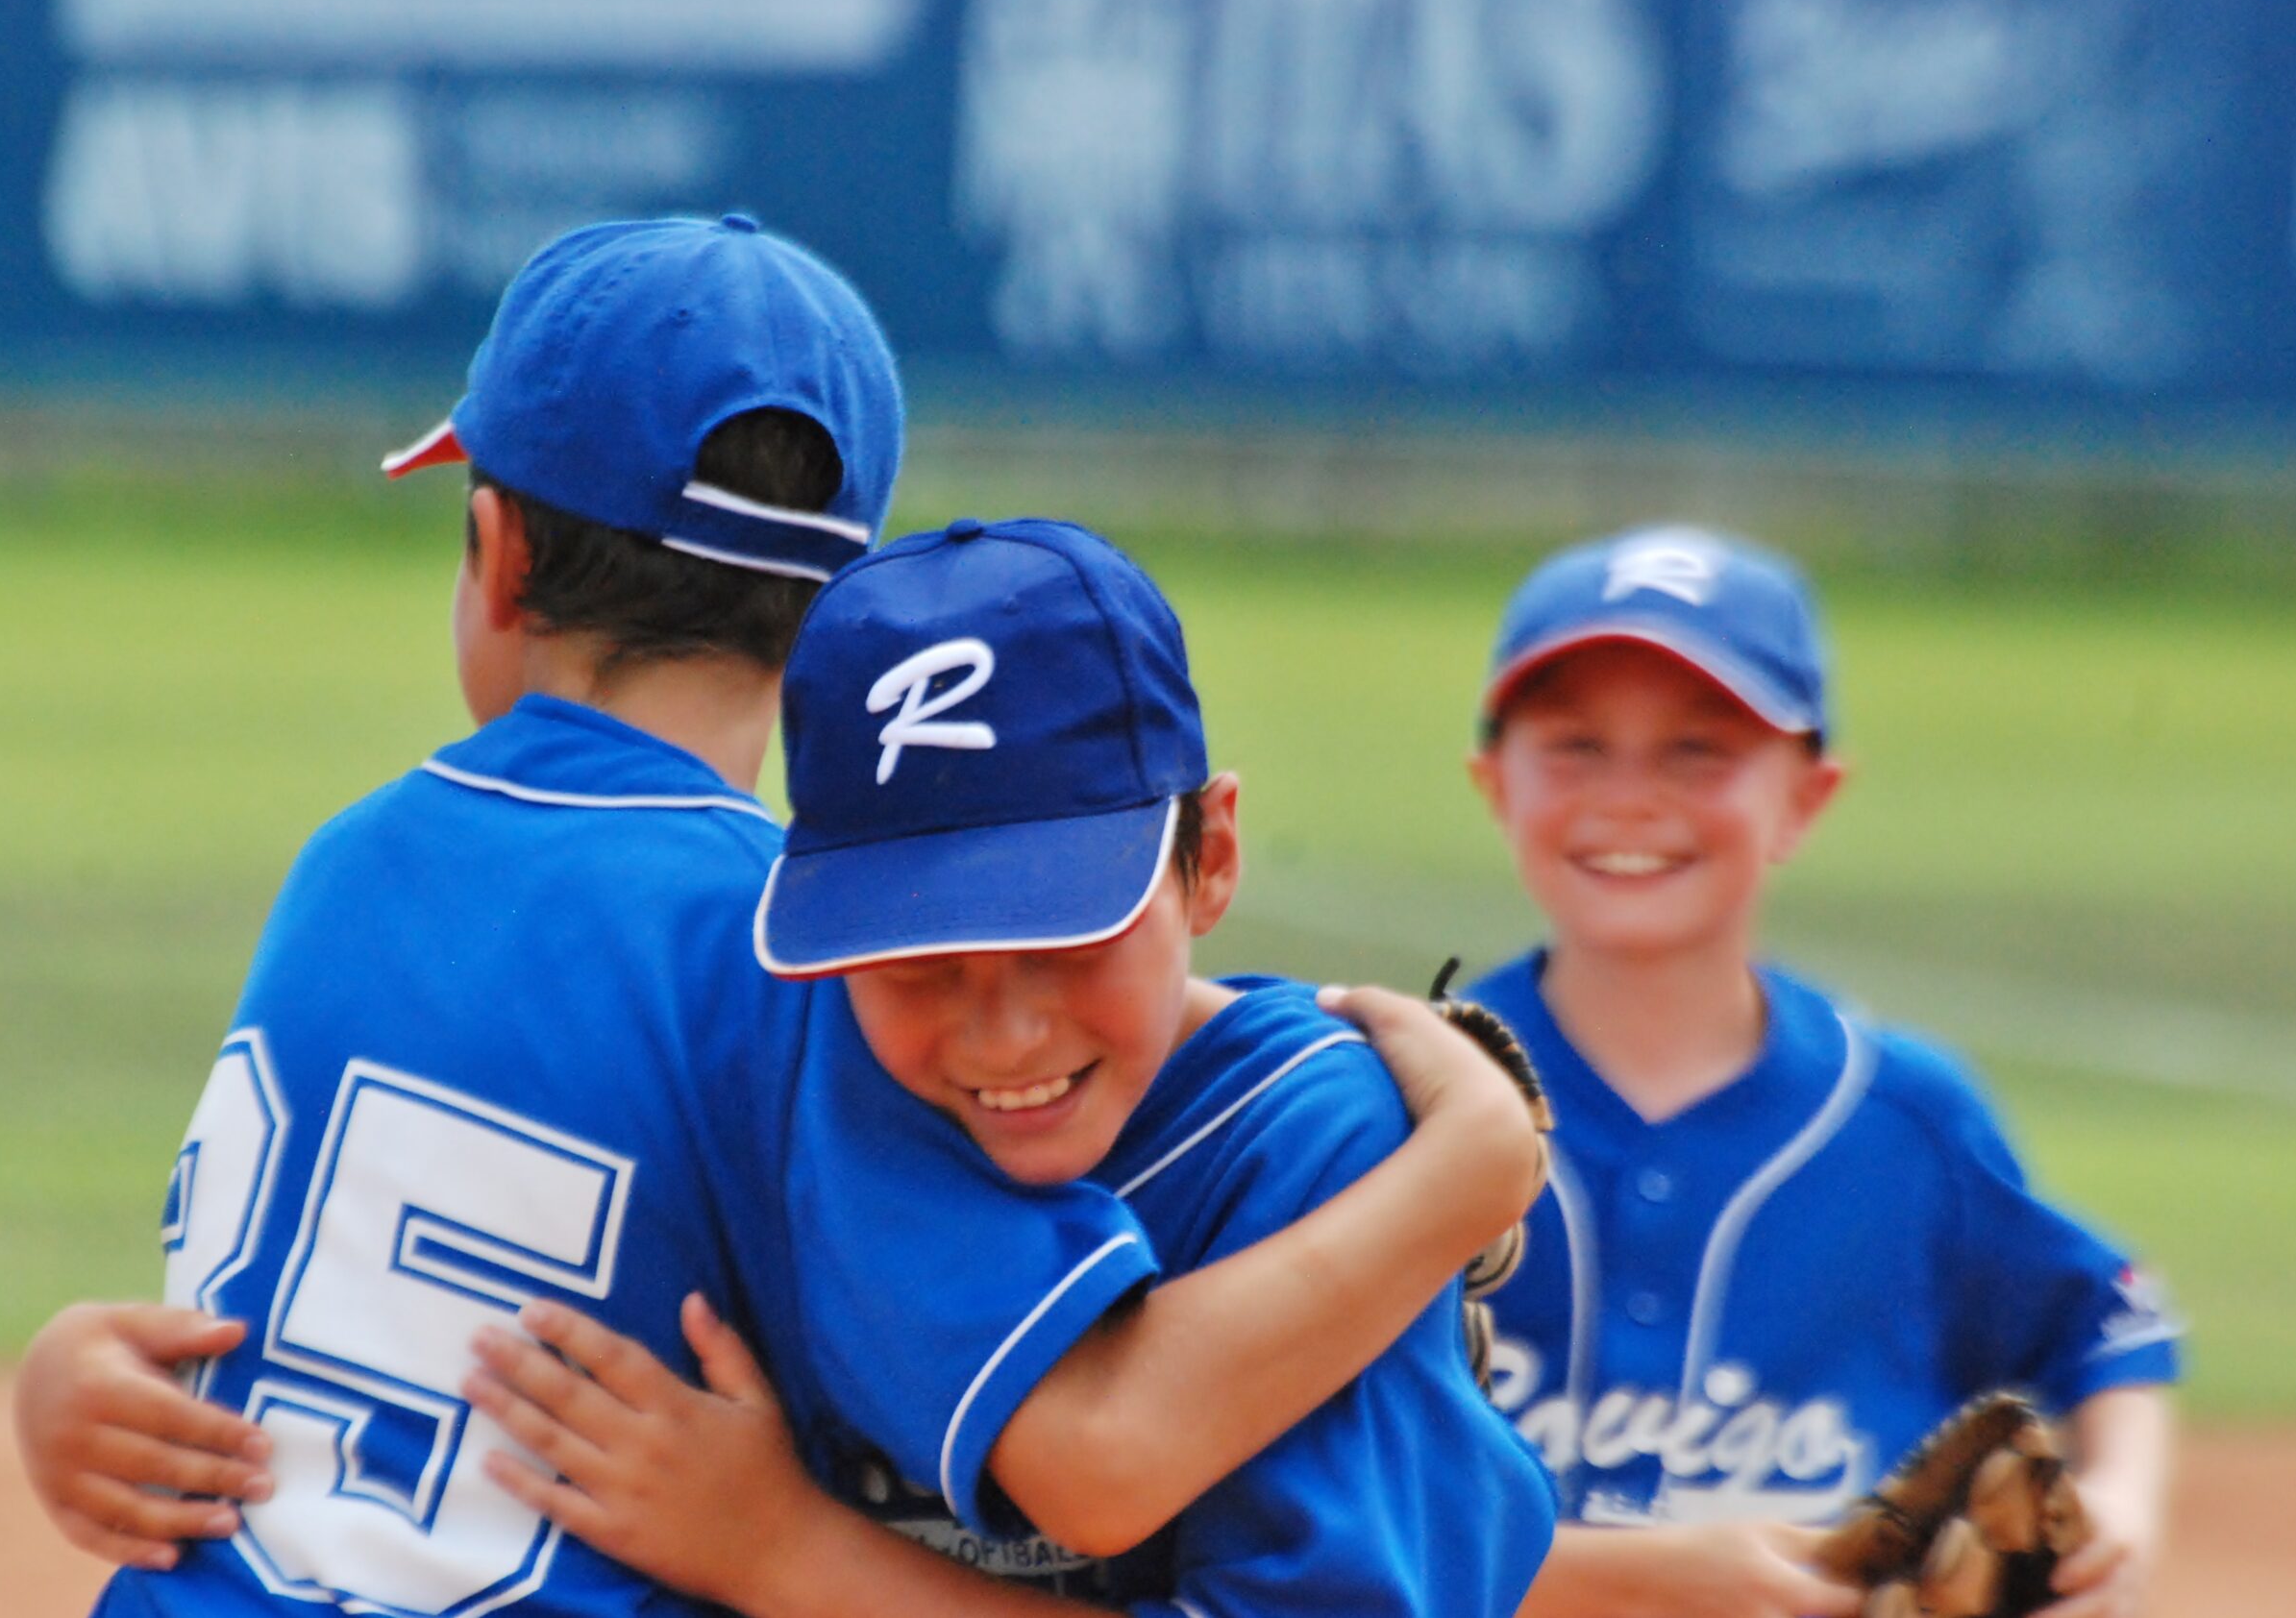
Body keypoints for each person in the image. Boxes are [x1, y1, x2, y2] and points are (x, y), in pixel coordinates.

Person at [13, 215, 1547, 1618]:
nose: (982, 1000)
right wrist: (1462, 1171)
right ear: (841, 629)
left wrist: (52, 1383)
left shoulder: (347, 861)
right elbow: (1098, 1455)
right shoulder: (790, 956)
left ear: (497, 552)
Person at [460, 516, 1561, 1617]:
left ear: (1211, 860)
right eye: (914, 962)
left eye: (1064, 941)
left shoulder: (1312, 1142)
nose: (1001, 1034)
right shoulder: (815, 1058)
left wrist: (789, 1557)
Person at [1456, 524, 2183, 1618]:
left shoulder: (1907, 1121)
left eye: (1698, 750)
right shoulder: (1410, 1109)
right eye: (1574, 744)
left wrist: (2120, 1511)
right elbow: (1329, 1510)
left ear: (1806, 797)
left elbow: (2110, 1323)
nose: (1632, 794)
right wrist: (1651, 1576)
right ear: (1492, 782)